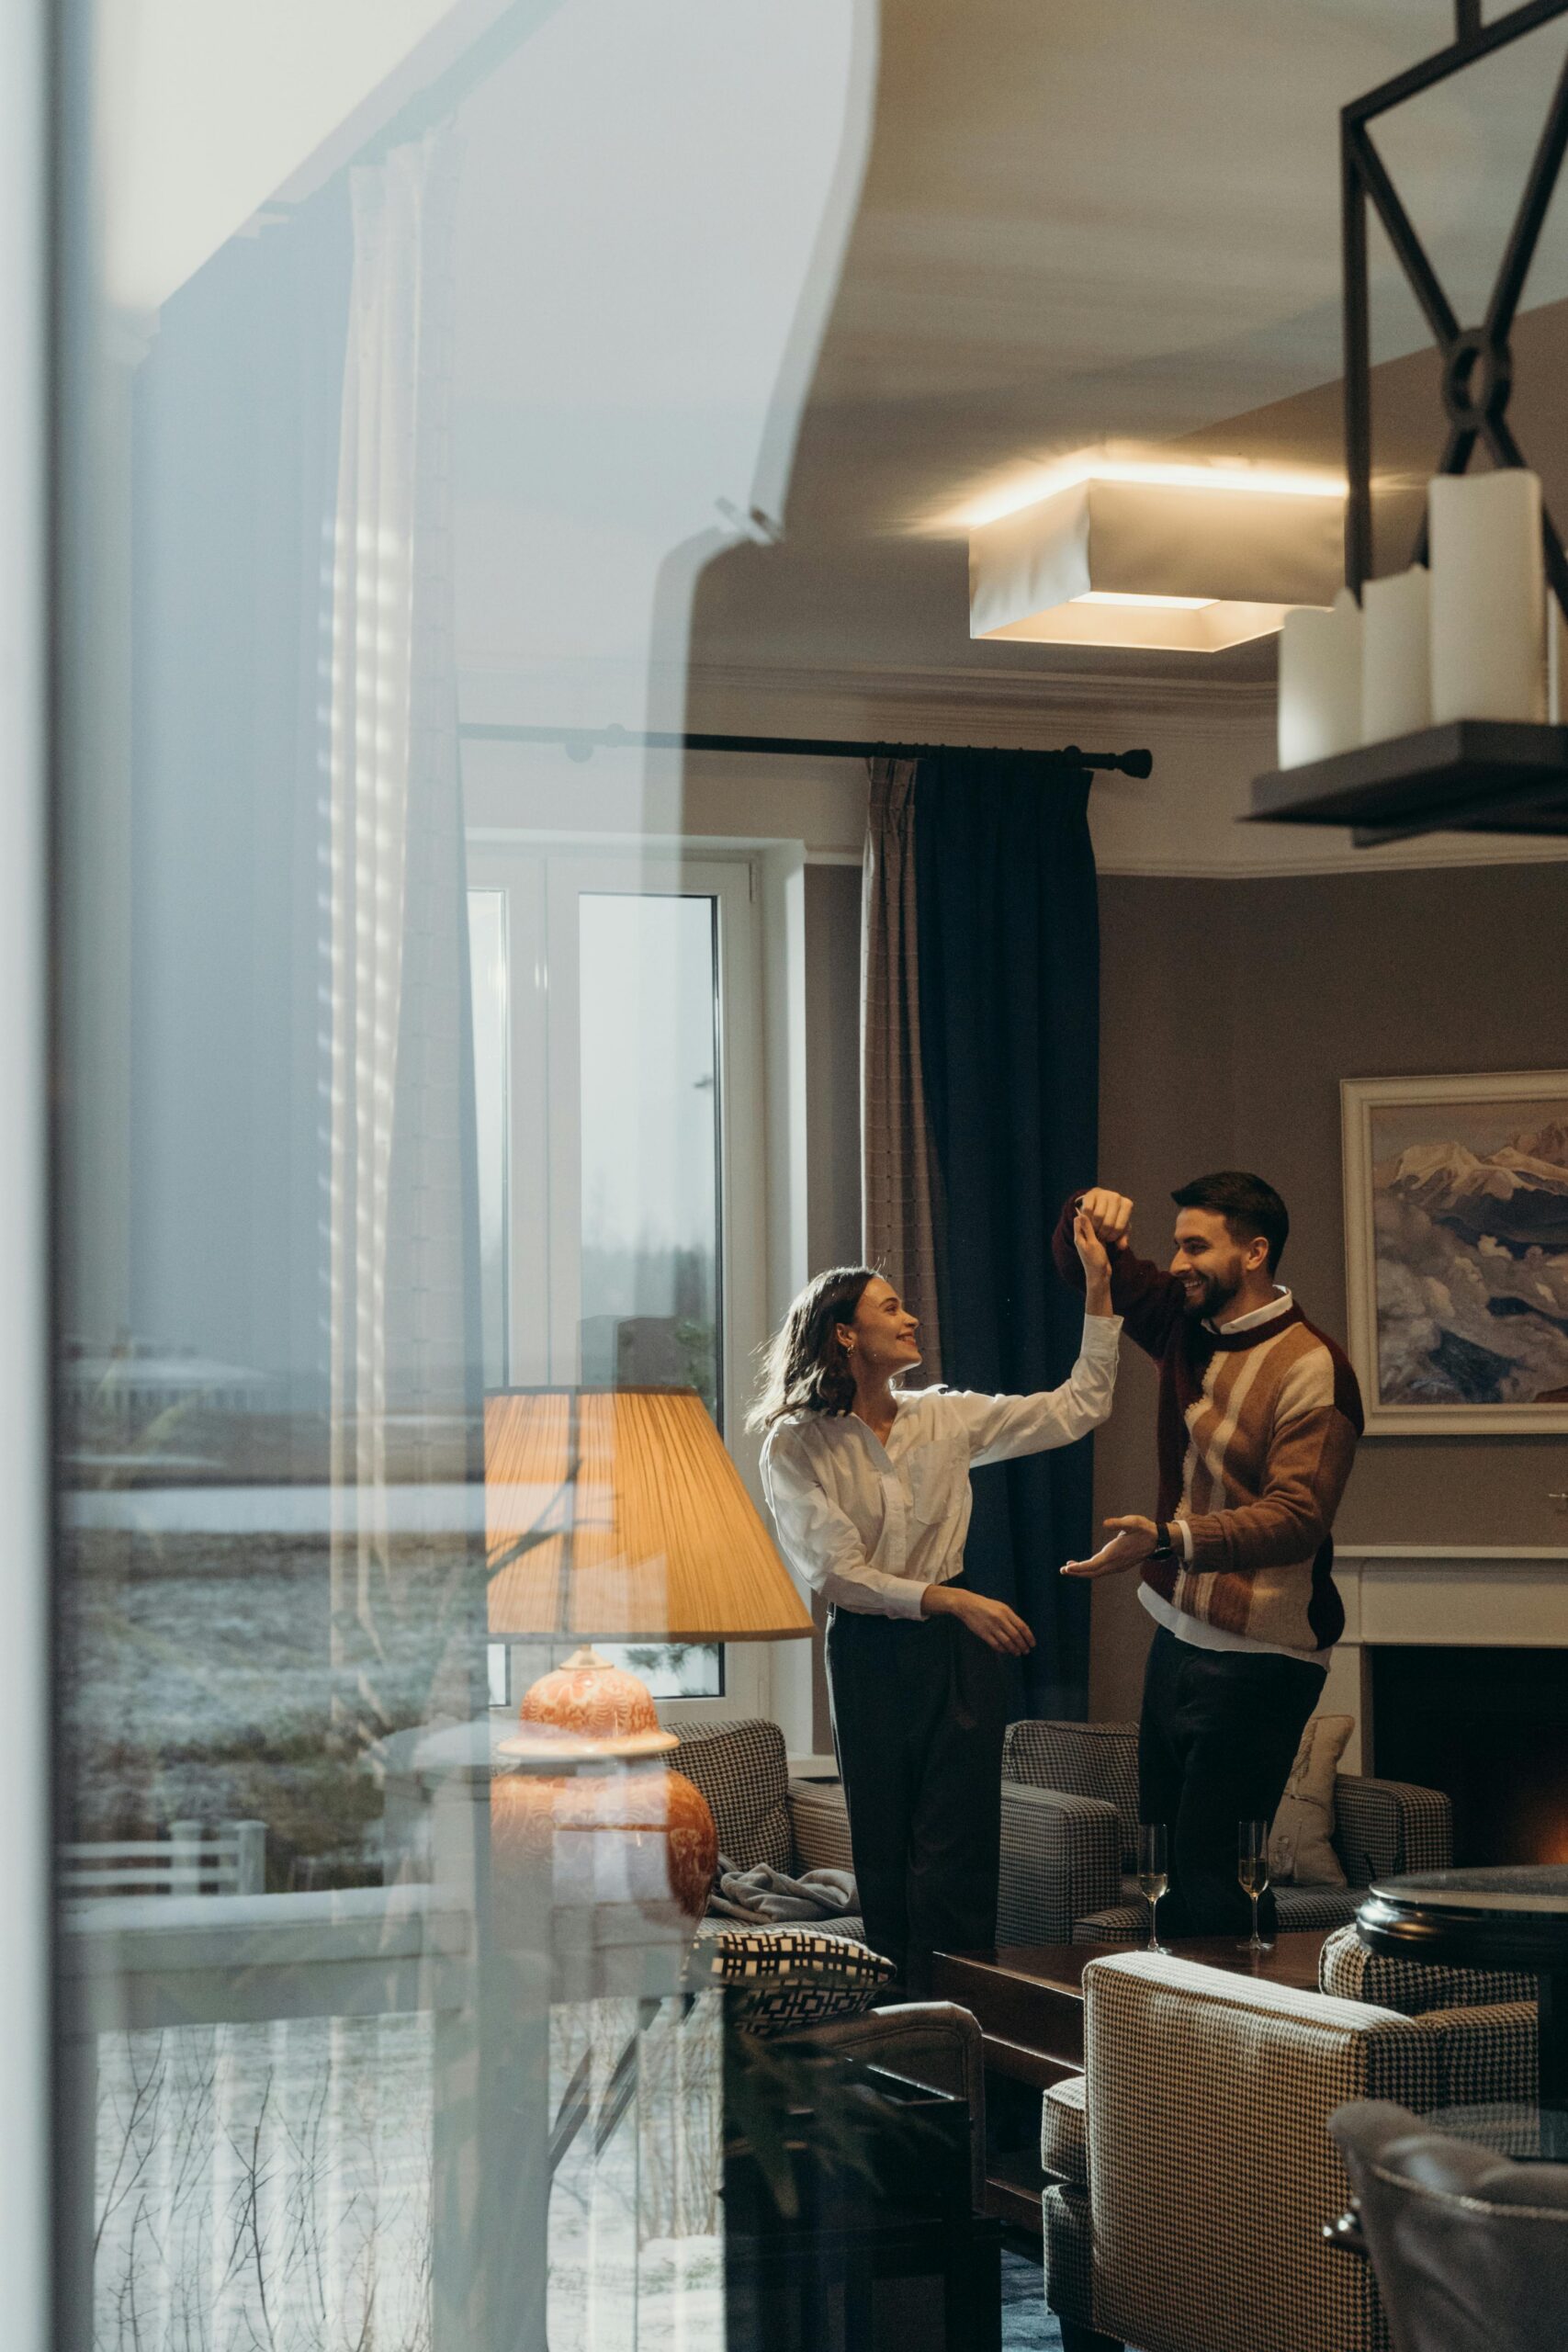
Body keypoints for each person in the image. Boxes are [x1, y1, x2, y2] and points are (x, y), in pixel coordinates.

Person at [753, 1216, 1120, 1993]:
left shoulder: (946, 1417)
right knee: (885, 1856)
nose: (909, 1316)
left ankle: (966, 2025)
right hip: (867, 1655)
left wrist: (1097, 1290)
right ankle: (898, 2031)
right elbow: (837, 1573)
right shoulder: (796, 1444)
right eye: (889, 1308)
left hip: (956, 1658)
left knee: (958, 1857)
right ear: (844, 1336)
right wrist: (951, 1599)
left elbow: (1077, 1407)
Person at [1055, 1170, 1363, 1939]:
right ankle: (1180, 2044)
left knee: (1215, 1877)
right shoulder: (1185, 1321)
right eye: (1175, 1245)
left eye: (1197, 1245)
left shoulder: (1313, 1370)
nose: (1179, 1261)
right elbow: (1085, 1263)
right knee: (1163, 1867)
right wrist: (1084, 1212)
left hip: (1262, 1656)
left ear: (1254, 1253)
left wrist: (1169, 1538)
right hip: (1178, 1638)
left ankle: (1247, 2050)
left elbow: (1295, 1519)